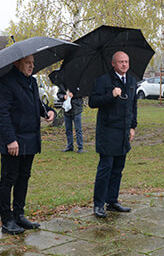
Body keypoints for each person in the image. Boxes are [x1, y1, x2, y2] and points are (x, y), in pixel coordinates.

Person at [0, 54, 55, 234]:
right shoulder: (6, 82)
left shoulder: (32, 82)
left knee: (23, 178)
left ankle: (19, 214)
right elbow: (2, 113)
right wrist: (10, 140)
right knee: (8, 179)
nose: (31, 66)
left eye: (33, 63)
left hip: (30, 140)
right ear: (16, 62)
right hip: (13, 141)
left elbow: (36, 104)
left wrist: (48, 111)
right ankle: (7, 220)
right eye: (27, 63)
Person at [89, 51, 138, 218]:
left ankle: (112, 201)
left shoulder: (131, 81)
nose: (124, 64)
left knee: (118, 168)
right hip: (108, 131)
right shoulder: (103, 80)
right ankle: (98, 204)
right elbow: (92, 102)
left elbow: (133, 105)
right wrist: (111, 95)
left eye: (126, 61)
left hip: (124, 131)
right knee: (106, 168)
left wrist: (132, 127)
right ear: (113, 64)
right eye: (121, 62)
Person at [57, 84, 84, 152]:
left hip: (76, 108)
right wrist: (63, 96)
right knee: (68, 129)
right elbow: (59, 94)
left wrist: (74, 95)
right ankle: (70, 146)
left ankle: (80, 147)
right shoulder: (63, 84)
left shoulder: (79, 82)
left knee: (78, 129)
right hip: (67, 109)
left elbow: (83, 93)